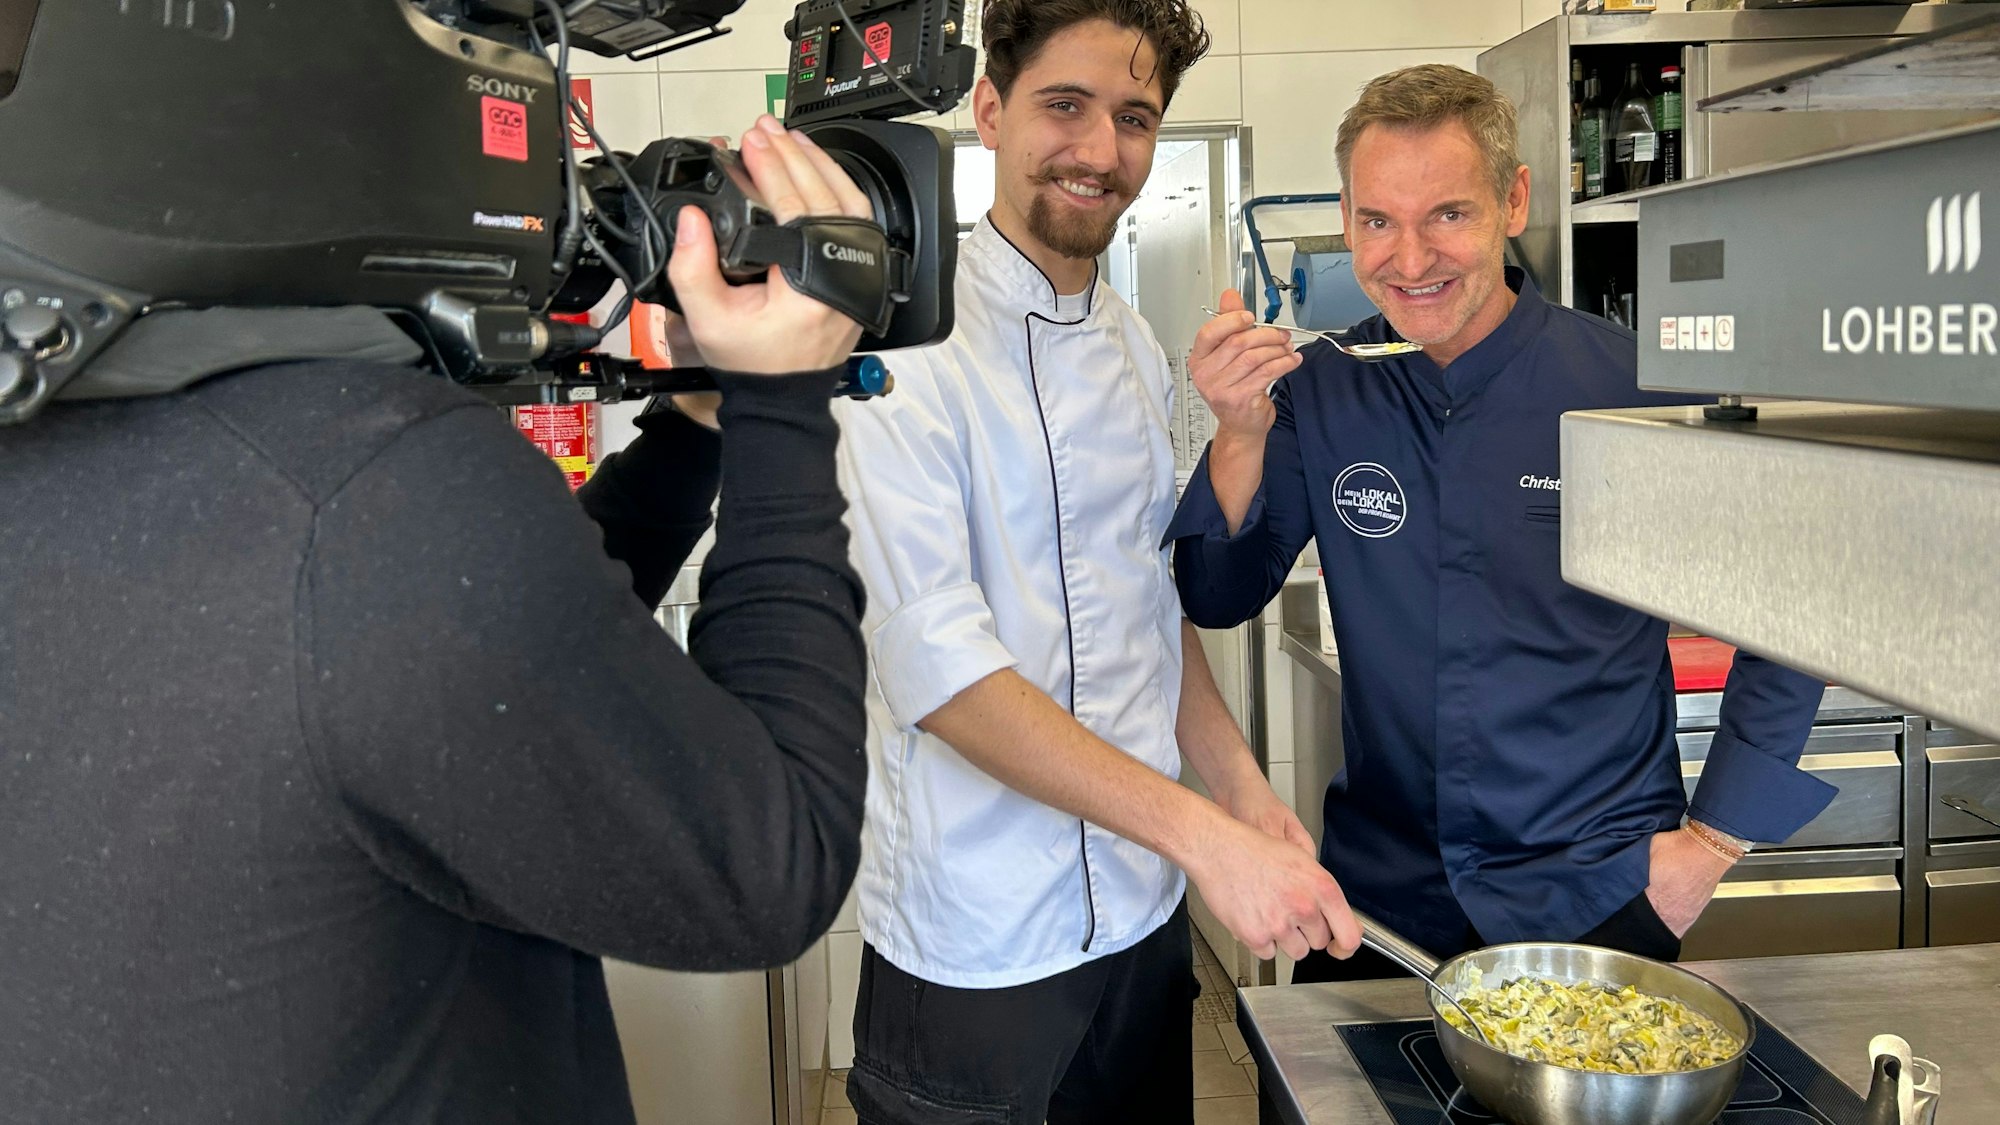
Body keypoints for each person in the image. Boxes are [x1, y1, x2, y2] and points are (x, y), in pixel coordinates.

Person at [1, 117, 874, 1124]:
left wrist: (692, 430)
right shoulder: (376, 483)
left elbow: (477, 668)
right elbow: (767, 870)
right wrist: (784, 409)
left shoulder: (183, 449)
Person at [1167, 65, 1835, 979]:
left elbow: (1795, 605)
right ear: (1347, 215)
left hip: (1596, 900)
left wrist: (1713, 842)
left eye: (1448, 214)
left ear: (1513, 201)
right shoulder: (1323, 391)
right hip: (1378, 909)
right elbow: (1215, 595)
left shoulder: (1635, 392)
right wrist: (1239, 434)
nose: (1409, 260)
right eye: (1377, 222)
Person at [831, 4, 1360, 1123]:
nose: (1099, 149)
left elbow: (1144, 612)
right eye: (1061, 106)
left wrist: (1243, 793)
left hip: (1137, 924)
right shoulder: (894, 346)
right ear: (987, 110)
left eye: (1133, 117)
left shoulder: (1126, 340)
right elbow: (942, 676)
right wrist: (1202, 835)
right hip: (975, 949)